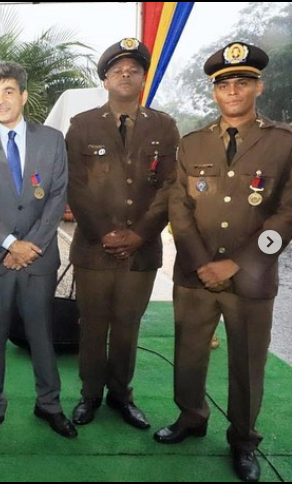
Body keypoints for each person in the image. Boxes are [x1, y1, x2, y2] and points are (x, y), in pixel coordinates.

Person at [155, 41, 292, 483]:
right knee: (189, 355)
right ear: (214, 91)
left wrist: (237, 264)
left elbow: (287, 213)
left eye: (242, 82)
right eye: (224, 83)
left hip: (251, 279)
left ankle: (243, 440)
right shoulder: (192, 144)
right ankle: (191, 416)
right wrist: (201, 263)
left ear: (258, 87)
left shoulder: (283, 143)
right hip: (195, 276)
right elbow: (179, 207)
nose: (232, 90)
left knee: (247, 365)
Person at [65, 38, 180, 429]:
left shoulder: (164, 126)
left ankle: (120, 396)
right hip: (94, 248)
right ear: (105, 80)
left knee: (128, 326)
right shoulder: (82, 125)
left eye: (133, 70)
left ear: (144, 78)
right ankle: (89, 395)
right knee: (93, 326)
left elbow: (170, 185)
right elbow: (74, 185)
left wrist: (141, 233)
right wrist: (103, 233)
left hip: (140, 250)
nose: (125, 75)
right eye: (117, 71)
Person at [0, 61, 73, 445]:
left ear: (23, 96)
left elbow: (57, 197)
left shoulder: (52, 140)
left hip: (38, 258)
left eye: (8, 92)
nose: (0, 100)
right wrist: (10, 244)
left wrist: (30, 247)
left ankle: (50, 405)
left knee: (41, 334)